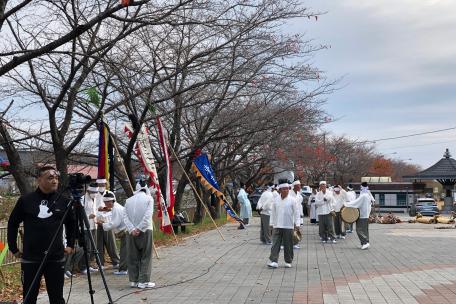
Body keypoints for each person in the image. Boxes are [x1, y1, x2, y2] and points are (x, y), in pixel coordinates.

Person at [7, 166, 75, 304]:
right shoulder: (26, 200)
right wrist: (13, 248)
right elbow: (12, 223)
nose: (55, 181)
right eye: (50, 178)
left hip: (55, 257)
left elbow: (72, 224)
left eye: (56, 178)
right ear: (39, 180)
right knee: (29, 297)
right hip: (31, 257)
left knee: (57, 298)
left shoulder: (64, 201)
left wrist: (71, 244)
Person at [123, 182, 155, 289]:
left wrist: (132, 229)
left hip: (130, 232)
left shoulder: (128, 201)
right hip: (145, 230)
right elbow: (148, 215)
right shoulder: (149, 199)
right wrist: (139, 228)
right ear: (145, 188)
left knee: (132, 256)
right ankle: (144, 281)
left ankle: (133, 280)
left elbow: (125, 217)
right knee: (146, 256)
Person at [267, 180, 300, 268]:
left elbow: (297, 212)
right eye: (283, 189)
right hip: (277, 225)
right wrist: (271, 223)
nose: (286, 190)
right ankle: (274, 261)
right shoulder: (275, 200)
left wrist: (297, 224)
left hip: (288, 226)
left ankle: (288, 261)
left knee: (288, 244)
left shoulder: (293, 200)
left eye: (287, 189)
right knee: (275, 244)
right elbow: (272, 213)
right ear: (280, 190)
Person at [97, 191, 128, 275]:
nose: (105, 204)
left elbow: (114, 223)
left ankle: (123, 269)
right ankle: (124, 268)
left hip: (126, 232)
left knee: (124, 252)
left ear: (110, 201)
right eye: (104, 203)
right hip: (125, 231)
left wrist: (102, 224)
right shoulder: (115, 207)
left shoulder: (116, 208)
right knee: (124, 251)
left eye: (106, 203)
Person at [95, 178, 120, 269]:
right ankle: (100, 263)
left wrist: (105, 210)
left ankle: (116, 261)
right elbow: (94, 208)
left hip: (108, 220)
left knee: (111, 242)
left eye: (103, 184)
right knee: (99, 243)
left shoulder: (110, 193)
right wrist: (99, 211)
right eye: (100, 185)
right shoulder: (95, 194)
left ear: (106, 184)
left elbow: (114, 207)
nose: (101, 186)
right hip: (97, 221)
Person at [344, 182, 375, 249]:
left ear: (362, 188)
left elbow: (357, 203)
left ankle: (365, 243)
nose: (360, 189)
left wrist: (347, 204)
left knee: (359, 230)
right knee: (365, 230)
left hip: (362, 215)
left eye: (361, 188)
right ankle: (365, 242)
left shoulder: (364, 196)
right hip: (365, 215)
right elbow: (372, 201)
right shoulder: (368, 194)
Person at [80, 183, 99, 274]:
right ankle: (83, 267)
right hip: (85, 227)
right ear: (88, 191)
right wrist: (88, 216)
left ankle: (89, 265)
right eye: (93, 192)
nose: (94, 193)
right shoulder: (83, 199)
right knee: (87, 248)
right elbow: (79, 214)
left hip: (94, 225)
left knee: (92, 248)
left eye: (96, 192)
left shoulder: (95, 199)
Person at [288, 180, 304, 249]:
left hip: (297, 214)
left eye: (300, 185)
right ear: (294, 186)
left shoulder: (298, 194)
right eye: (298, 185)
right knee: (288, 230)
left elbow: (299, 205)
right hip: (290, 214)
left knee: (296, 229)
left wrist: (301, 213)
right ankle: (284, 243)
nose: (300, 187)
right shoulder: (289, 193)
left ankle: (295, 243)